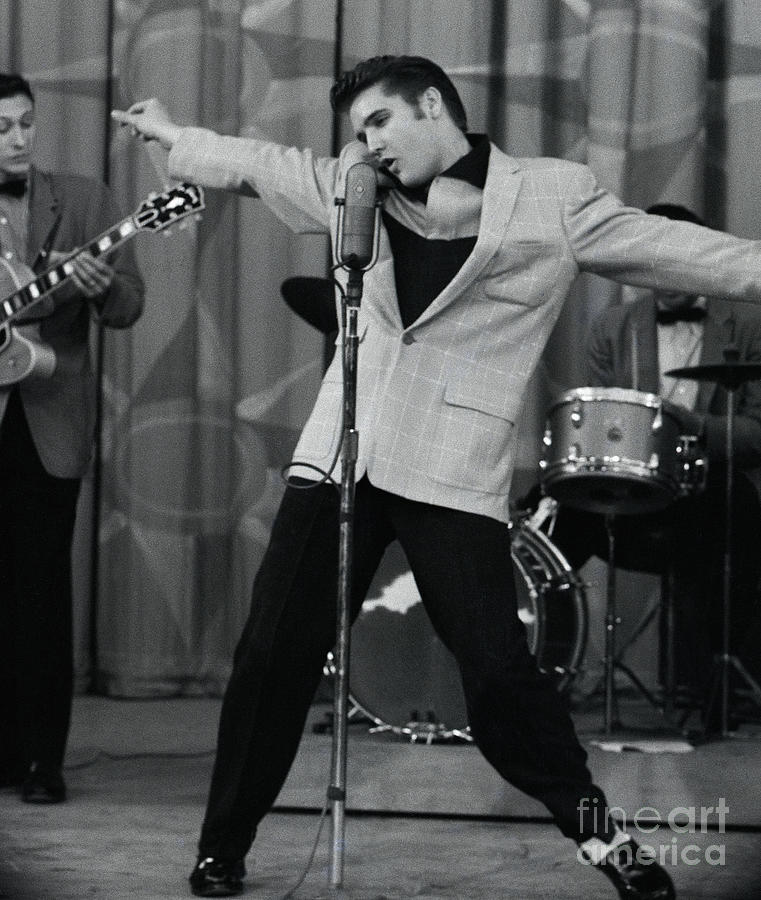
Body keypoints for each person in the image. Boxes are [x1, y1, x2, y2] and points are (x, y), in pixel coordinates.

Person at [111, 54, 761, 899]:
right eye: (356, 133)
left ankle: (602, 840)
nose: (366, 144)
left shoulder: (551, 195)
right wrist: (179, 138)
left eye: (379, 122)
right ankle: (221, 844)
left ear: (430, 105)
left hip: (450, 465)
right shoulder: (354, 188)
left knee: (495, 666)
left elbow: (668, 248)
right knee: (273, 652)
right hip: (342, 453)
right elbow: (267, 165)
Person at [532, 204, 761, 722]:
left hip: (709, 493)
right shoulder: (612, 328)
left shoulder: (749, 324)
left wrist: (694, 425)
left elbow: (758, 434)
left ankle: (711, 687)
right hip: (630, 491)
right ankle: (537, 674)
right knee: (552, 515)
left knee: (738, 509)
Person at [0, 73, 144, 804]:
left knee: (39, 594)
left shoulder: (86, 201)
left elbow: (129, 307)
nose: (19, 140)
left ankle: (41, 761)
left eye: (27, 124)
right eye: (2, 128)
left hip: (45, 418)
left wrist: (95, 286)